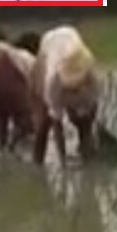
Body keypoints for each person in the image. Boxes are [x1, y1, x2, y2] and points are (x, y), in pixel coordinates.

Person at [29, 25, 102, 165]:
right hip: (49, 46)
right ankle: (37, 163)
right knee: (43, 124)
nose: (73, 90)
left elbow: (92, 108)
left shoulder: (93, 78)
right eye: (70, 88)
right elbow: (57, 124)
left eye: (76, 87)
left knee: (85, 125)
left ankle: (87, 156)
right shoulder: (52, 81)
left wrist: (86, 128)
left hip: (72, 36)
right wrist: (63, 162)